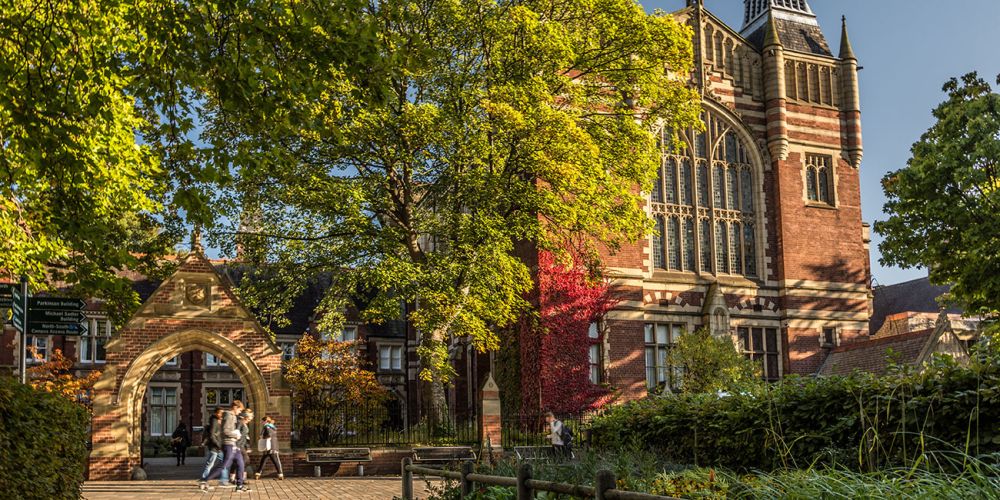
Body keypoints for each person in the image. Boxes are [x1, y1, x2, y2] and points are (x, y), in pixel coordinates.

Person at [201, 400, 251, 493]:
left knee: (241, 463)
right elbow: (225, 431)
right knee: (224, 465)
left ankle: (239, 486)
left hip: (233, 444)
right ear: (235, 407)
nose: (240, 412)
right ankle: (205, 481)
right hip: (228, 444)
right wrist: (235, 434)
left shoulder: (233, 416)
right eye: (239, 410)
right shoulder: (228, 415)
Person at [199, 408, 225, 486]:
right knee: (210, 463)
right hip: (214, 446)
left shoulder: (219, 421)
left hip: (218, 447)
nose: (222, 415)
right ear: (216, 413)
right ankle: (204, 479)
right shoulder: (214, 421)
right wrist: (217, 444)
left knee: (224, 462)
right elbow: (212, 435)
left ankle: (224, 480)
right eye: (220, 413)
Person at [255, 416, 284, 480]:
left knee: (274, 460)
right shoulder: (272, 426)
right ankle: (280, 474)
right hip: (273, 446)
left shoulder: (266, 426)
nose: (261, 422)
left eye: (262, 421)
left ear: (265, 421)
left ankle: (258, 473)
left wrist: (263, 437)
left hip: (269, 446)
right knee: (270, 460)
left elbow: (268, 434)